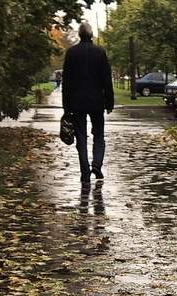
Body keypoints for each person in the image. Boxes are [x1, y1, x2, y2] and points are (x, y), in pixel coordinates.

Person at [61, 21, 114, 186]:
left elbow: (66, 81)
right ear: (91, 35)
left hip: (77, 103)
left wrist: (66, 106)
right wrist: (109, 102)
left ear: (79, 34)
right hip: (97, 102)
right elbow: (107, 79)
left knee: (81, 137)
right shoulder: (100, 52)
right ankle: (97, 165)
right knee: (99, 135)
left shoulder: (71, 53)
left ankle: (85, 172)